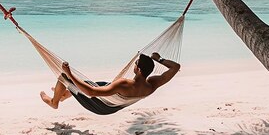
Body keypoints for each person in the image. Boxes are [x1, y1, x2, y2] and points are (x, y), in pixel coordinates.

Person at [40, 52, 180, 110]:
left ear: (139, 70)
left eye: (136, 63)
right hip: (113, 106)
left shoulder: (124, 84)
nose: (134, 65)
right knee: (99, 84)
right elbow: (175, 67)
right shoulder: (152, 84)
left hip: (100, 106)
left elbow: (91, 92)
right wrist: (159, 59)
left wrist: (69, 73)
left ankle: (55, 101)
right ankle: (64, 94)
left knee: (63, 77)